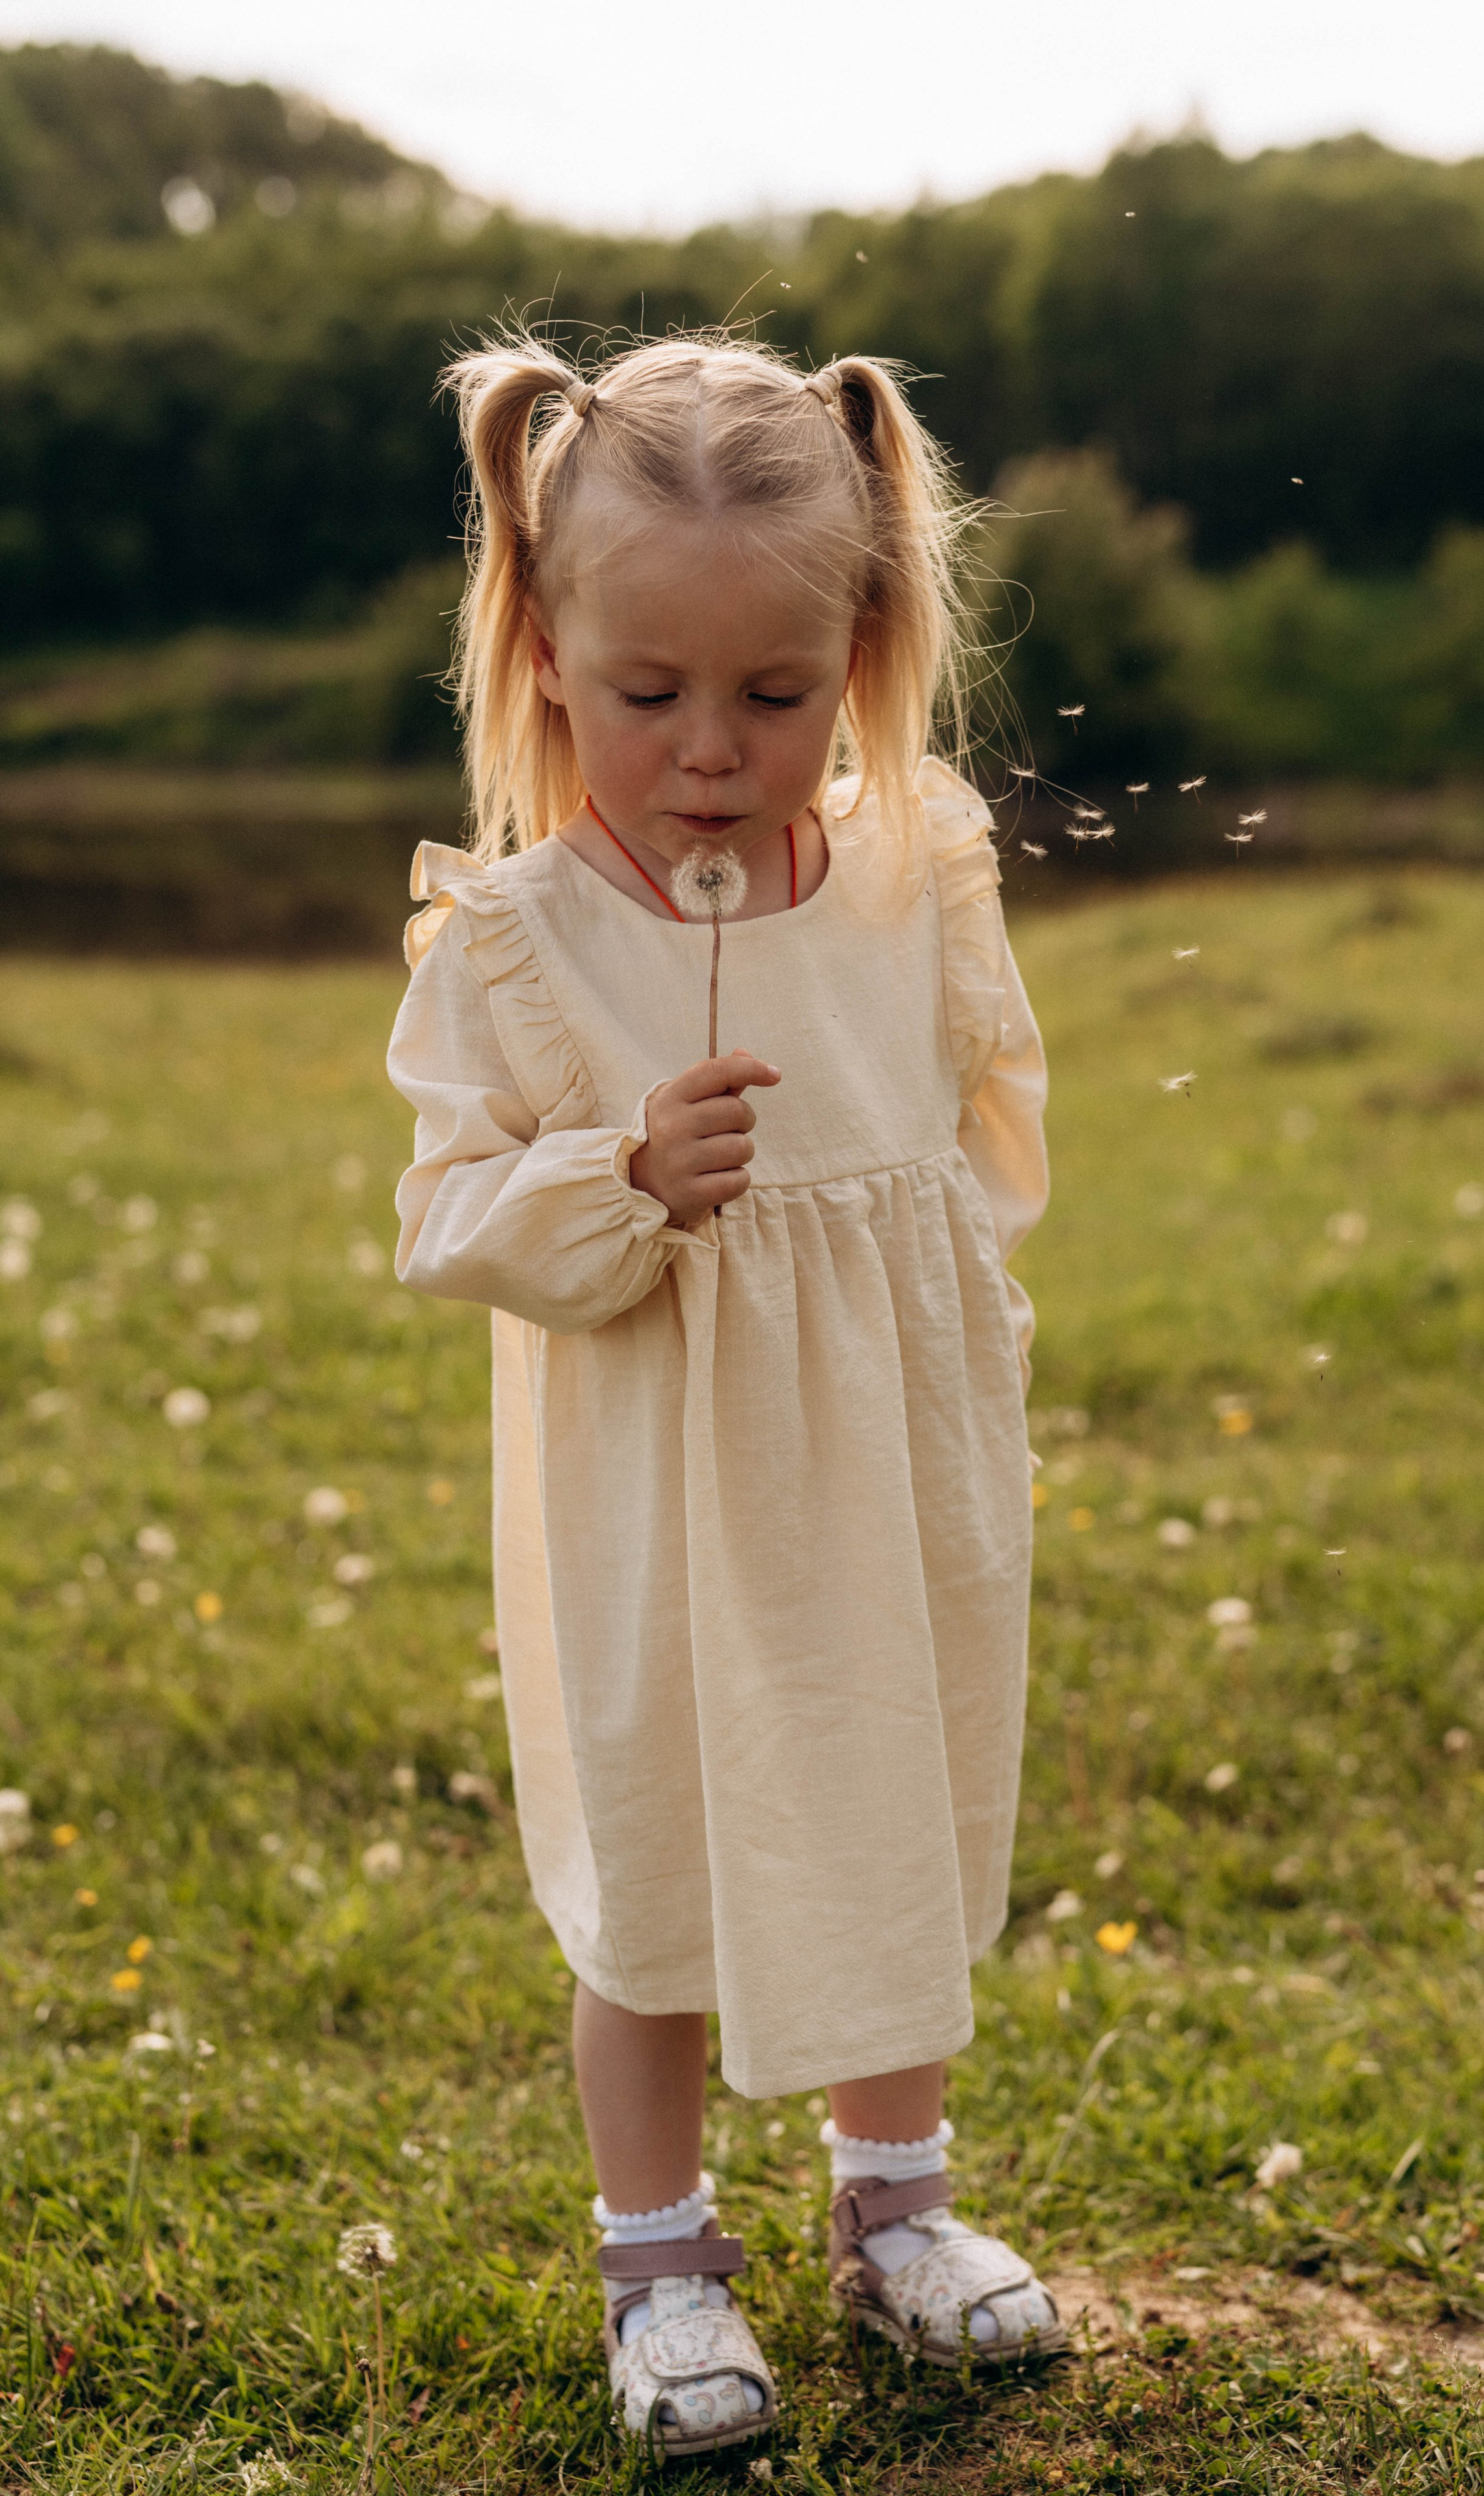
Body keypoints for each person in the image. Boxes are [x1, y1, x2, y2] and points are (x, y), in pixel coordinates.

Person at [387, 333, 1058, 2459]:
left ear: (860, 650)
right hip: (663, 1505)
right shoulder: (513, 940)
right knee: (661, 1851)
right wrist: (621, 1178)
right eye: (647, 689)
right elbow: (447, 1218)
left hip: (888, 1477)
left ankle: (896, 2207)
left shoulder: (915, 878)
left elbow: (978, 1145)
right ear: (545, 649)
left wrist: (950, 1342)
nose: (707, 748)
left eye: (773, 694)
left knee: (885, 1806)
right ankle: (662, 2259)